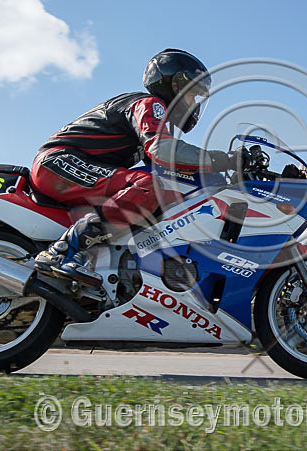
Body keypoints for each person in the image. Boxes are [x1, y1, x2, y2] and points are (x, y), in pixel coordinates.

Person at [30, 49, 245, 288]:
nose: (194, 103)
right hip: (59, 162)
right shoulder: (148, 104)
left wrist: (227, 181)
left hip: (71, 167)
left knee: (161, 192)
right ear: (175, 84)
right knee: (148, 187)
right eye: (192, 94)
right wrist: (226, 159)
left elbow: (171, 171)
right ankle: (61, 252)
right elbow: (163, 152)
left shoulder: (154, 124)